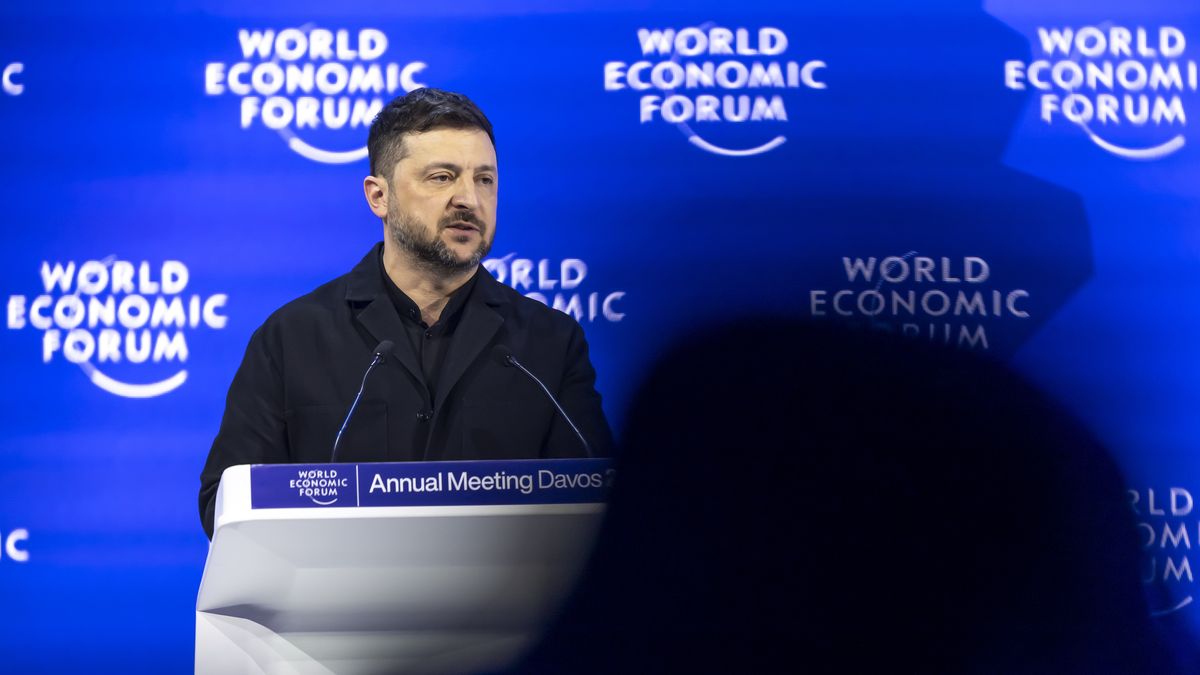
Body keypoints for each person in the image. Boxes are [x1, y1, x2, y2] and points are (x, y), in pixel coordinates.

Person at [199, 88, 612, 539]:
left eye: (485, 180)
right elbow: (226, 501)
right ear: (380, 197)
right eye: (441, 177)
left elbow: (596, 500)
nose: (469, 200)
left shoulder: (548, 343)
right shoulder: (293, 338)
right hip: (342, 603)